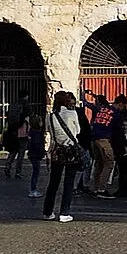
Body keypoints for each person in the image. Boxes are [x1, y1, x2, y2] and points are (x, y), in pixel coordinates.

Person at [43, 91, 84, 222]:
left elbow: (48, 131)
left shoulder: (50, 116)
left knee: (53, 183)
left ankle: (47, 212)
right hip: (70, 150)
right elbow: (78, 131)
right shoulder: (72, 113)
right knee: (69, 182)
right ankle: (64, 213)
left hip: (57, 150)